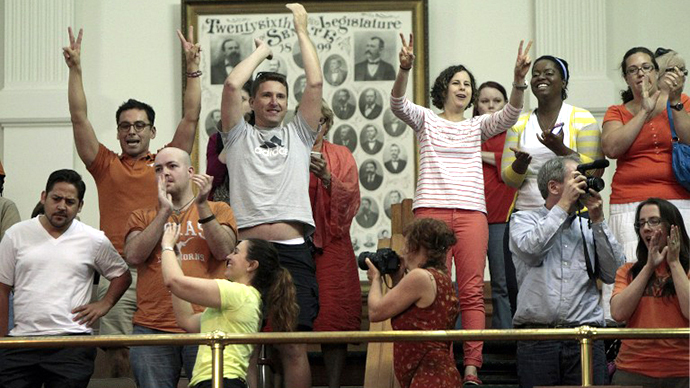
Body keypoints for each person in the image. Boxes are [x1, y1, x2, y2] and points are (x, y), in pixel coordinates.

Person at [391, 32, 531, 384]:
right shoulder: (426, 119)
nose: (464, 88)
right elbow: (396, 103)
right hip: (431, 213)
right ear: (444, 89)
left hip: (471, 214)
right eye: (457, 82)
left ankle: (471, 367)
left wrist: (517, 81)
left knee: (469, 290)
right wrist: (404, 69)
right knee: (433, 287)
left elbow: (511, 113)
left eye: (468, 84)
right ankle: (437, 361)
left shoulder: (477, 125)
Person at [63, 26, 200, 376]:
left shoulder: (166, 165)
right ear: (119, 131)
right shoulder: (105, 165)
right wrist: (75, 69)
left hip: (164, 266)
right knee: (117, 353)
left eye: (140, 125)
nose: (132, 131)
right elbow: (79, 117)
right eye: (125, 126)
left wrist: (192, 68)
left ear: (152, 131)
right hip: (117, 269)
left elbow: (190, 117)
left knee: (173, 348)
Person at [219, 4, 322, 388]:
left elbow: (315, 85)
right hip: (248, 252)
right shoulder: (237, 134)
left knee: (292, 345)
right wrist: (261, 53)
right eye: (266, 95)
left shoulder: (300, 133)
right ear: (254, 101)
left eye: (281, 95)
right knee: (243, 343)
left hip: (293, 250)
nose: (274, 101)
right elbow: (231, 86)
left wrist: (302, 31)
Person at [0, 169, 131, 388]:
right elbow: (2, 288)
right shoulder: (16, 234)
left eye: (70, 201)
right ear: (44, 197)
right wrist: (2, 341)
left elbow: (122, 275)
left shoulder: (93, 239)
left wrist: (104, 304)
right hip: (21, 340)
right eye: (56, 198)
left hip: (72, 341)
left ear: (80, 206)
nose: (62, 206)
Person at [124, 148, 238, 388]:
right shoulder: (142, 216)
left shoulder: (218, 209)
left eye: (171, 166)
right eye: (158, 169)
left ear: (190, 172)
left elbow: (224, 251)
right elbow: (133, 256)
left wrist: (203, 205)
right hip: (152, 327)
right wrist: (163, 212)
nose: (164, 173)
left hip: (205, 323)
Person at [500, 55, 603, 318]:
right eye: (536, 73)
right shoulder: (520, 122)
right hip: (527, 216)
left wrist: (561, 150)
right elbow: (508, 179)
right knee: (521, 288)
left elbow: (596, 170)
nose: (540, 78)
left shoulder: (581, 118)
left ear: (563, 81)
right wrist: (521, 165)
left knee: (571, 284)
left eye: (549, 73)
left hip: (574, 217)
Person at [510, 155, 625, 388]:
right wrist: (563, 206)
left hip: (585, 339)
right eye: (576, 178)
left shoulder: (588, 225)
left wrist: (599, 219)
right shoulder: (523, 220)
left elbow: (613, 272)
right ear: (554, 186)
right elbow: (532, 250)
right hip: (538, 341)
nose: (583, 183)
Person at [601, 47, 690, 321]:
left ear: (656, 71)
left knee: (682, 267)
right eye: (633, 69)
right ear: (626, 79)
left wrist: (673, 103)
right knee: (633, 268)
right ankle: (628, 339)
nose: (641, 73)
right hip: (629, 203)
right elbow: (612, 147)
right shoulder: (617, 110)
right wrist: (644, 111)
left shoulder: (681, 100)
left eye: (646, 67)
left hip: (677, 200)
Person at [160, 223, 298, 388]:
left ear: (251, 265)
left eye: (236, 252)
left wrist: (167, 246)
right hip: (215, 380)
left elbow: (173, 281)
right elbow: (186, 320)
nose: (228, 257)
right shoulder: (245, 299)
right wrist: (177, 264)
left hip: (221, 380)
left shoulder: (239, 294)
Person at [366, 217, 461, 388]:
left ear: (416, 246)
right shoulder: (441, 278)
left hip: (429, 378)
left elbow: (375, 312)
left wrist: (375, 279)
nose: (402, 251)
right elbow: (409, 313)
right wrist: (397, 280)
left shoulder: (419, 277)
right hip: (437, 375)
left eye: (406, 243)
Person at [308, 102, 361, 388]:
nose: (313, 127)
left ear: (327, 125)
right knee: (286, 317)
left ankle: (334, 384)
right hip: (295, 244)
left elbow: (352, 199)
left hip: (333, 244)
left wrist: (327, 178)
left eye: (319, 121)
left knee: (334, 315)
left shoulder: (341, 155)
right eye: (307, 120)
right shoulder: (288, 153)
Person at [609, 198, 689, 387]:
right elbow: (618, 314)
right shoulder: (627, 271)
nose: (646, 228)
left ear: (672, 227)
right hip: (633, 369)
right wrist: (648, 268)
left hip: (683, 370)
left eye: (654, 221)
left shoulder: (686, 268)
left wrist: (674, 263)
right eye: (642, 223)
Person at [473, 81, 515, 329]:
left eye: (496, 101)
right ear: (476, 106)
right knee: (471, 281)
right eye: (484, 101)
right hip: (473, 215)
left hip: (502, 217)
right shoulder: (468, 130)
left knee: (502, 282)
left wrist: (479, 155)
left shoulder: (512, 131)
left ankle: (505, 334)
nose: (490, 105)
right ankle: (468, 334)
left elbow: (511, 166)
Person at [206, 80, 253, 202]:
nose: (235, 104)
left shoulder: (260, 137)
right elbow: (212, 178)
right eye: (232, 99)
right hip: (221, 207)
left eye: (242, 99)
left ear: (253, 104)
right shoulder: (215, 139)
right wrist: (231, 142)